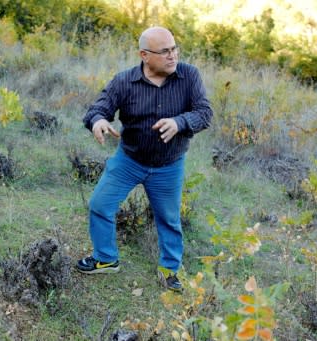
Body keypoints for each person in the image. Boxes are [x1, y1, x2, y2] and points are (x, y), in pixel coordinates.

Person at [76, 27, 213, 292]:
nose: (172, 56)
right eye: (164, 52)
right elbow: (98, 109)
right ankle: (105, 259)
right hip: (129, 160)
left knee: (169, 219)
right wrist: (98, 121)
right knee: (100, 204)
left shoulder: (189, 76)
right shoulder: (124, 81)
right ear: (145, 55)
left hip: (169, 165)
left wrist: (180, 121)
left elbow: (204, 113)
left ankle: (169, 270)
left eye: (174, 49)